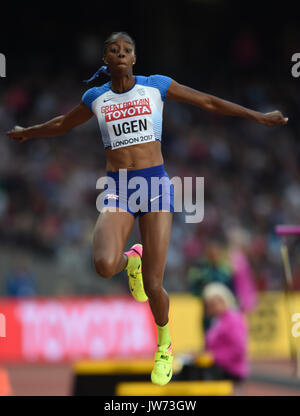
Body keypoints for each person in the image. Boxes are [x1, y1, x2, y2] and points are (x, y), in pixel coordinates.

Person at [6, 31, 288, 386]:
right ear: (106, 60)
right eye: (114, 50)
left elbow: (208, 102)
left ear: (134, 58)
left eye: (127, 50)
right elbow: (62, 124)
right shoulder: (96, 97)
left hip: (155, 187)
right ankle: (131, 260)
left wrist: (257, 116)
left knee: (155, 284)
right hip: (119, 189)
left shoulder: (156, 86)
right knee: (105, 264)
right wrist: (28, 132)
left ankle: (164, 345)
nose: (121, 54)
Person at [200, 282, 249, 381]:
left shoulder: (233, 319)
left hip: (229, 370)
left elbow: (239, 350)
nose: (207, 309)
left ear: (221, 301)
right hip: (219, 368)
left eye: (210, 304)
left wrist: (213, 356)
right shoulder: (218, 320)